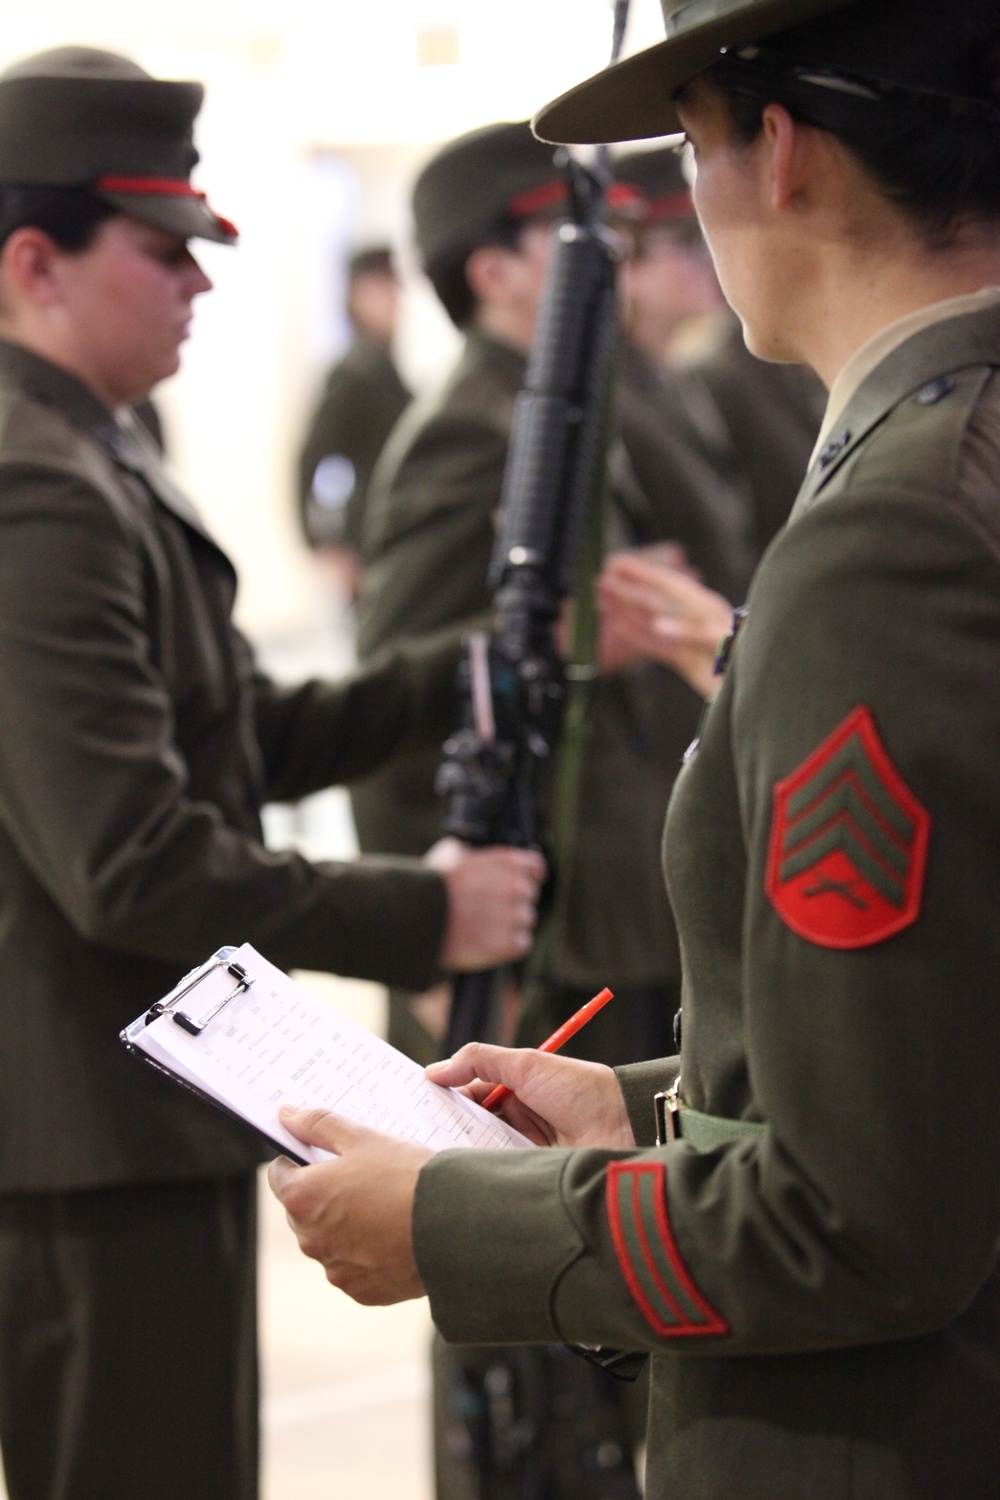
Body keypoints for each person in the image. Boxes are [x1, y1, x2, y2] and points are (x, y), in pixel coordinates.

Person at [270, 0, 1000, 1495]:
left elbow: (858, 1213)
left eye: (691, 145)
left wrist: (454, 1228)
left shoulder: (893, 533)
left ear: (780, 156)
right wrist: (647, 1107)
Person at [0, 47, 544, 1500]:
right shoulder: (35, 484)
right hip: (81, 1140)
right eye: (163, 248)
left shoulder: (89, 452)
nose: (200, 283)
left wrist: (474, 664)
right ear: (34, 259)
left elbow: (247, 737)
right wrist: (423, 914)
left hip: (136, 1117)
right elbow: (128, 858)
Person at [297, 244, 411, 600]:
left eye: (394, 289)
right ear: (355, 296)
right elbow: (313, 459)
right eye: (381, 289)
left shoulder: (385, 367)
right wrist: (325, 543)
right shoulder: (354, 372)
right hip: (368, 541)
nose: (392, 301)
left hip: (387, 540)